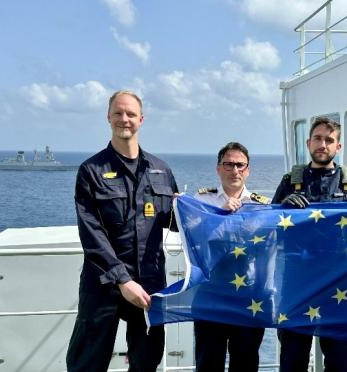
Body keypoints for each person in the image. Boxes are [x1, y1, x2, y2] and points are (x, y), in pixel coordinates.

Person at [66, 90, 179, 372]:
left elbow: (175, 221)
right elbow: (91, 234)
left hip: (149, 284)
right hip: (103, 284)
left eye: (130, 114)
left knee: (146, 361)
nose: (124, 119)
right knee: (87, 362)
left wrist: (219, 211)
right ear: (108, 118)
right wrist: (122, 280)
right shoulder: (91, 170)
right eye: (118, 113)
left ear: (141, 120)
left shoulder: (161, 170)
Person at [272, 117, 347, 372]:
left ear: (338, 146)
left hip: (340, 286)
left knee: (338, 362)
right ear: (308, 142)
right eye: (318, 138)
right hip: (297, 284)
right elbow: (272, 229)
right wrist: (283, 208)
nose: (322, 144)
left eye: (329, 140)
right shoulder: (289, 183)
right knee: (292, 360)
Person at [193, 142, 270, 372]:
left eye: (240, 165)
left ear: (248, 170)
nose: (234, 170)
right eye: (228, 164)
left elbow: (268, 251)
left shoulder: (261, 206)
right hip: (211, 292)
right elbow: (196, 239)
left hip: (248, 296)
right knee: (208, 362)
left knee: (245, 363)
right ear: (218, 169)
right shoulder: (201, 201)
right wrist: (221, 216)